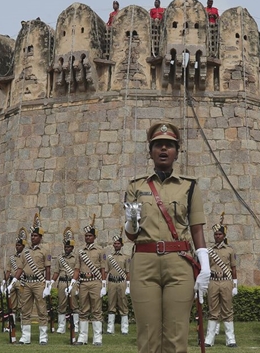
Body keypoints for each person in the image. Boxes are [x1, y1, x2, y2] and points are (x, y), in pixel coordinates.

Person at [123, 121, 210, 353]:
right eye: (158, 145)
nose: (163, 150)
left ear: (177, 152)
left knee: (176, 336)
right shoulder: (136, 186)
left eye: (169, 146)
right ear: (150, 151)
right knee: (148, 337)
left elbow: (197, 229)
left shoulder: (189, 187)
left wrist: (205, 266)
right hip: (144, 262)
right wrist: (131, 220)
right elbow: (131, 235)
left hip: (179, 263)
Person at [7, 213, 52, 345]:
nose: (33, 237)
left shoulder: (45, 250)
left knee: (41, 310)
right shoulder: (25, 252)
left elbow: (48, 269)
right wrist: (13, 282)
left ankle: (43, 337)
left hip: (39, 283)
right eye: (32, 235)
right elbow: (20, 269)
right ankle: (25, 337)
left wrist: (48, 285)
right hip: (26, 283)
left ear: (40, 237)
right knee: (24, 309)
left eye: (35, 236)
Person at [66, 214, 106, 346]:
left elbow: (103, 269)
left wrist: (104, 284)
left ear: (94, 237)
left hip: (95, 282)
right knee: (83, 310)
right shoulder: (80, 251)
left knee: (96, 310)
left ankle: (97, 338)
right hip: (83, 282)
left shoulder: (100, 250)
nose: (88, 237)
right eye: (86, 235)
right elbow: (77, 269)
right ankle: (82, 338)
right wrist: (72, 283)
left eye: (90, 235)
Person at [204, 213, 238, 347]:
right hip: (213, 280)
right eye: (216, 234)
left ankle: (230, 339)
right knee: (212, 310)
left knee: (227, 310)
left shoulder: (230, 250)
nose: (217, 236)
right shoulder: (209, 250)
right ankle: (209, 339)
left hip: (226, 281)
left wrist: (235, 284)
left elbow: (234, 268)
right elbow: (205, 268)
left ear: (224, 236)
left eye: (220, 234)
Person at [52, 227, 78, 335]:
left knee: (74, 305)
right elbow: (56, 272)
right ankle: (61, 327)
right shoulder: (59, 258)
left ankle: (75, 326)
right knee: (61, 305)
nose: (67, 248)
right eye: (65, 246)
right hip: (62, 282)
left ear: (72, 247)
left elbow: (77, 271)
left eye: (69, 247)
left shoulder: (76, 258)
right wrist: (51, 283)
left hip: (72, 283)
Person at [105, 229, 130, 335]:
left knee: (123, 304)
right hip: (111, 282)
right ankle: (110, 329)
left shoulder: (126, 258)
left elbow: (128, 272)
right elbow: (106, 271)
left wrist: (128, 285)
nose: (116, 245)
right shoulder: (109, 258)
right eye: (115, 243)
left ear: (121, 245)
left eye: (118, 243)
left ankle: (125, 329)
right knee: (111, 304)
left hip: (122, 282)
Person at [2, 227, 27, 330]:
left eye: (19, 245)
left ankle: (23, 325)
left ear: (23, 246)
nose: (17, 247)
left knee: (23, 304)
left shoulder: (26, 257)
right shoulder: (12, 258)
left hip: (22, 281)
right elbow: (8, 271)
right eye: (16, 245)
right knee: (11, 304)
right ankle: (11, 324)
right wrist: (4, 282)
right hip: (12, 281)